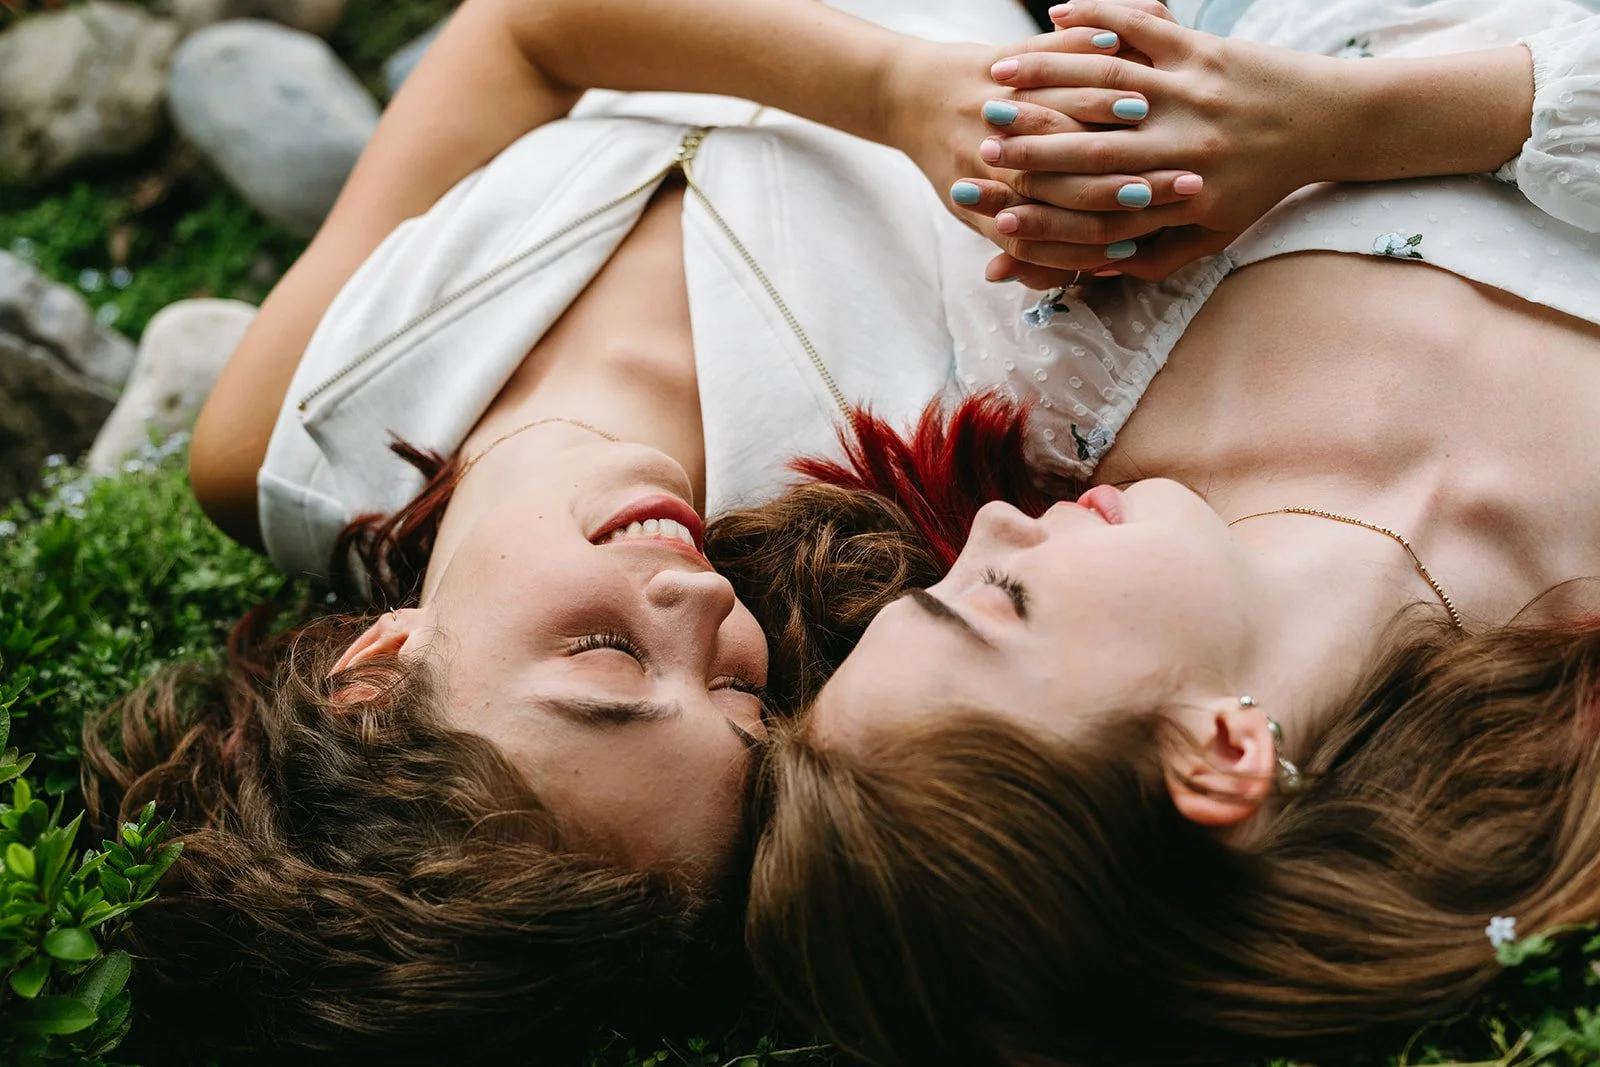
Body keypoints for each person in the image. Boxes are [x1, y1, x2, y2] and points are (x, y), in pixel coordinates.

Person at [80, 0, 1201, 1061]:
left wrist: (892, 89)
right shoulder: (898, 477)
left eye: (606, 658)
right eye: (738, 696)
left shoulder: (277, 436)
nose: (708, 607)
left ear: (374, 672)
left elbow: (520, 37)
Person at [745, 2, 1600, 1065]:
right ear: (1214, 746)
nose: (997, 524)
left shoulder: (1078, 361)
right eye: (1002, 598)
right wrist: (1359, 121)